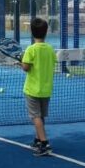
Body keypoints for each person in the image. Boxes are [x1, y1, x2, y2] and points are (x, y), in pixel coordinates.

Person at [21, 17, 56, 157]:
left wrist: (21, 62)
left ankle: (45, 143)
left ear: (31, 32)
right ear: (46, 32)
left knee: (35, 116)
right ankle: (38, 139)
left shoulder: (30, 49)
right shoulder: (50, 49)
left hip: (32, 90)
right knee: (41, 116)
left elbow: (26, 67)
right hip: (46, 89)